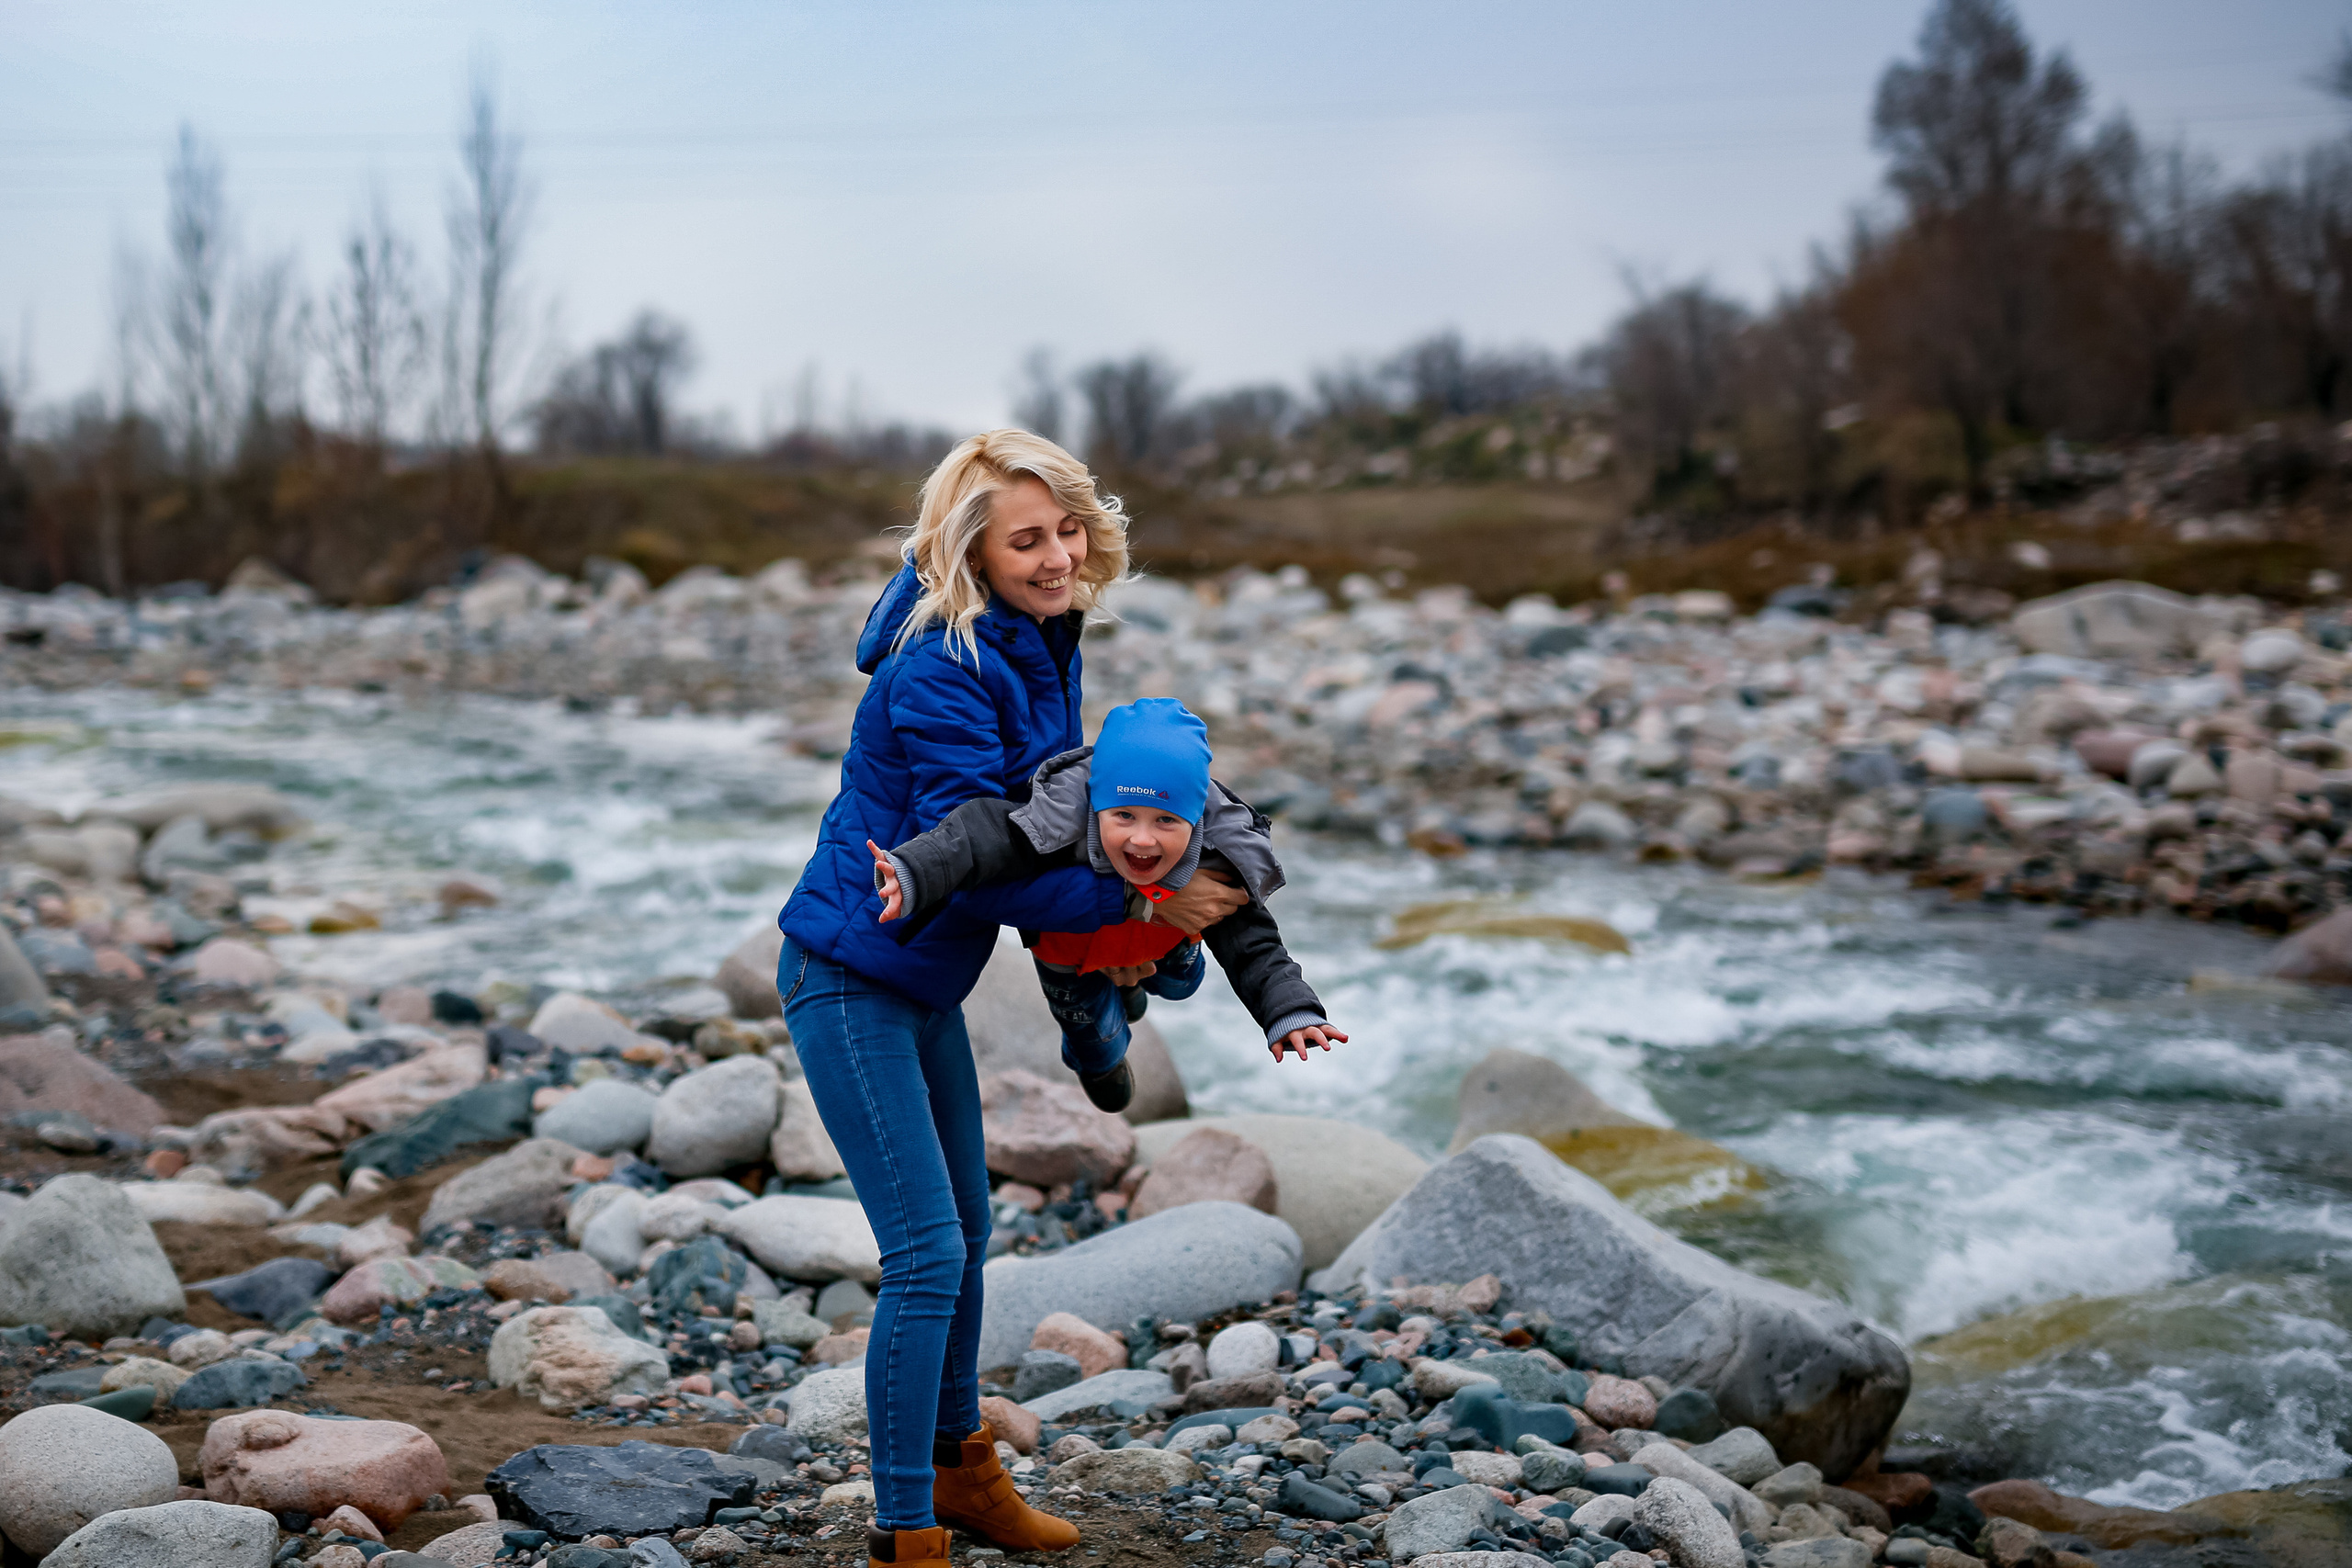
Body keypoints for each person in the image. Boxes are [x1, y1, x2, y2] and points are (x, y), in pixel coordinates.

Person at [775, 430, 1250, 1568]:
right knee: (928, 1254)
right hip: (850, 978)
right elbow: (974, 846)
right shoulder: (940, 666)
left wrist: (1130, 905)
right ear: (971, 552)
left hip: (921, 980)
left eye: (1066, 530)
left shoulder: (1038, 638)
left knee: (972, 1233)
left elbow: (1047, 813)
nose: (1055, 555)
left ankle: (965, 1475)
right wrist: (1141, 911)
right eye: (1024, 539)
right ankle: (905, 1536)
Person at [865, 696, 1347, 1108]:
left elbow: (1257, 946)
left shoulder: (1221, 856)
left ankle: (1141, 984)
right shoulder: (1057, 821)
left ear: (1195, 820)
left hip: (1161, 941)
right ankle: (1096, 1060)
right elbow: (974, 838)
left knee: (1181, 985)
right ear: (1096, 805)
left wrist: (1289, 1011)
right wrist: (912, 873)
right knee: (1097, 1044)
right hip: (1072, 955)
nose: (1142, 840)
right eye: (1123, 816)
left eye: (1166, 821)